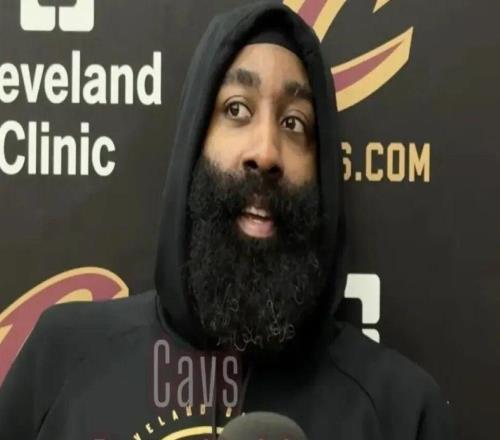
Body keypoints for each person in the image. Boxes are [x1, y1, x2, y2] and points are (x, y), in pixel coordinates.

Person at [0, 2, 454, 439]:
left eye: (294, 122)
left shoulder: (400, 411)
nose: (266, 151)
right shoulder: (61, 360)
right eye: (236, 109)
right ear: (194, 140)